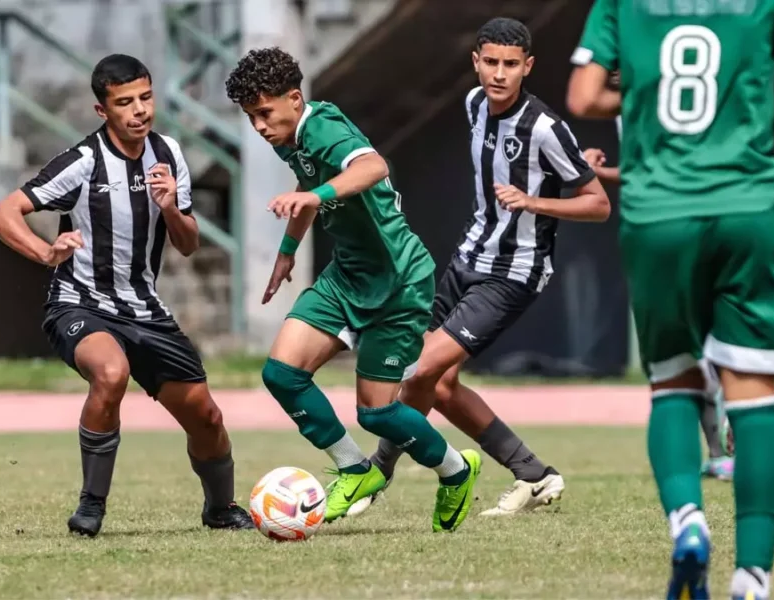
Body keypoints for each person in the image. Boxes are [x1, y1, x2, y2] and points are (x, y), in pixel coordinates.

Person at [567, 0, 774, 597]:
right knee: (753, 396)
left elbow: (582, 96)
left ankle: (689, 523)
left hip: (658, 214)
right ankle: (752, 579)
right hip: (746, 207)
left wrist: (645, 97)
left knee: (673, 383)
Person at [0, 54, 253, 537]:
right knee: (111, 373)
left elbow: (189, 245)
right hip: (79, 302)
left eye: (145, 98)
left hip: (146, 310)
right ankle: (90, 507)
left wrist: (172, 207)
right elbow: (1, 214)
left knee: (207, 416)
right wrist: (47, 252)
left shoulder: (169, 154)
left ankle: (219, 509)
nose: (139, 111)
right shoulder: (84, 161)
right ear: (101, 110)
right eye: (125, 102)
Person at [358, 17, 610, 518]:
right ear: (475, 62)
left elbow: (597, 203)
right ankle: (535, 475)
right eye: (490, 62)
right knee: (441, 385)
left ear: (528, 68)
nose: (499, 73)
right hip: (467, 258)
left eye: (511, 65)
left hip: (513, 272)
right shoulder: (474, 104)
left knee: (419, 369)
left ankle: (374, 473)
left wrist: (535, 202)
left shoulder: (543, 126)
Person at [224, 47, 482, 532]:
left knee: (377, 414)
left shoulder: (323, 128)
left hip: (397, 284)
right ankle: (354, 469)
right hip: (346, 276)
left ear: (295, 99)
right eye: (250, 116)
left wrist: (314, 195)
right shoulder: (290, 137)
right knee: (282, 374)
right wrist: (286, 253)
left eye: (263, 113)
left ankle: (455, 469)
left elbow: (373, 167)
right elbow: (307, 185)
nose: (258, 125)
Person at [583, 117, 735, 482]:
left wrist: (592, 172)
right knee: (693, 346)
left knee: (688, 349)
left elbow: (655, 171)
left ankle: (729, 434)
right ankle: (720, 450)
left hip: (679, 229)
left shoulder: (649, 96)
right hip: (693, 226)